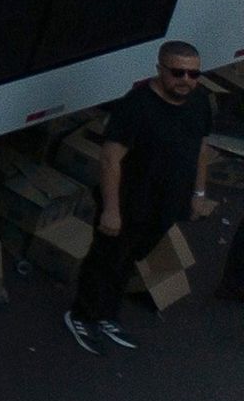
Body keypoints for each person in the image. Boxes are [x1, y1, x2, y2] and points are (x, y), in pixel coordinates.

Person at [73, 40, 218, 355]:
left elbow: (201, 149)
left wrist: (199, 193)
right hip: (129, 204)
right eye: (178, 72)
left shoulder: (199, 102)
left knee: (130, 260)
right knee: (105, 260)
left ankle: (107, 314)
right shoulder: (137, 106)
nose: (186, 80)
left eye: (194, 74)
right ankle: (83, 315)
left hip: (167, 205)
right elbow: (111, 158)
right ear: (160, 69)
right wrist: (111, 209)